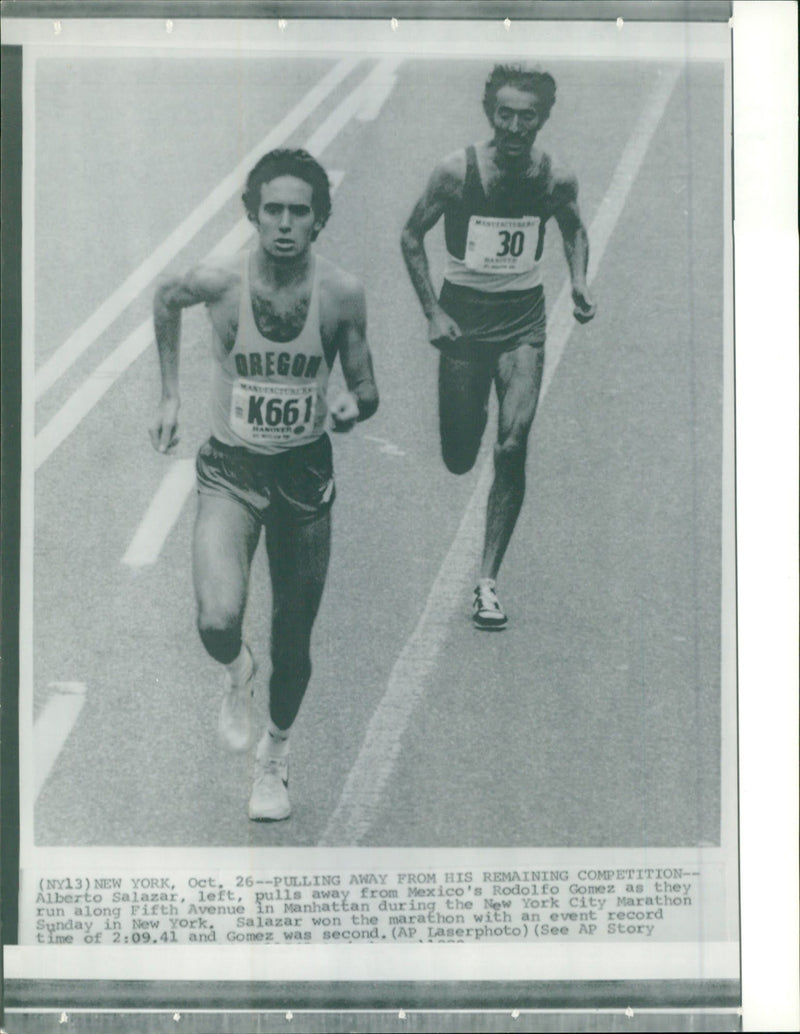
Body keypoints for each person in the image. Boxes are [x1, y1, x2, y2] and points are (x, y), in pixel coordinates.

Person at [150, 148, 378, 821]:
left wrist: (351, 405)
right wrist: (169, 395)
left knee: (294, 641)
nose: (283, 223)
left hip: (304, 478)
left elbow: (367, 386)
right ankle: (234, 670)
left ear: (318, 221)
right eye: (271, 209)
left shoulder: (340, 294)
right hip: (232, 470)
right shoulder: (220, 283)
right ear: (254, 214)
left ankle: (274, 756)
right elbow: (165, 296)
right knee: (218, 620)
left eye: (298, 212)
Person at [401, 64, 596, 630]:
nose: (514, 126)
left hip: (522, 322)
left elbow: (573, 228)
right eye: (505, 114)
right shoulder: (455, 173)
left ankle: (487, 582)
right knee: (460, 455)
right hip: (463, 322)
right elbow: (412, 235)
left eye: (526, 116)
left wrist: (579, 280)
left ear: (543, 119)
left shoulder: (556, 176)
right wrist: (432, 312)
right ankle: (468, 414)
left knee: (512, 446)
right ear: (491, 113)